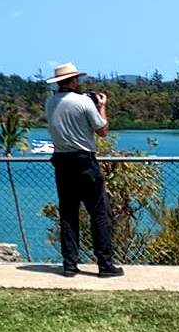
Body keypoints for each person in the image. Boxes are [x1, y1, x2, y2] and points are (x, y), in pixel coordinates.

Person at [44, 62, 124, 279]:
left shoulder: (50, 102)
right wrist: (101, 106)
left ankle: (70, 265)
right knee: (99, 214)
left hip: (61, 162)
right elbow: (103, 130)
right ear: (72, 80)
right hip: (84, 161)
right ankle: (105, 265)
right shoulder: (83, 102)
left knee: (68, 215)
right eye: (76, 79)